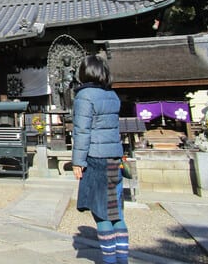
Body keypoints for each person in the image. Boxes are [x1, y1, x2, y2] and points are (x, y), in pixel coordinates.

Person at [72, 55, 129, 264]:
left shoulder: (85, 96)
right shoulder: (112, 95)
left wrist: (78, 162)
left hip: (96, 158)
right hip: (114, 158)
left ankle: (109, 260)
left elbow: (82, 130)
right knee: (116, 213)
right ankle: (122, 259)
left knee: (101, 212)